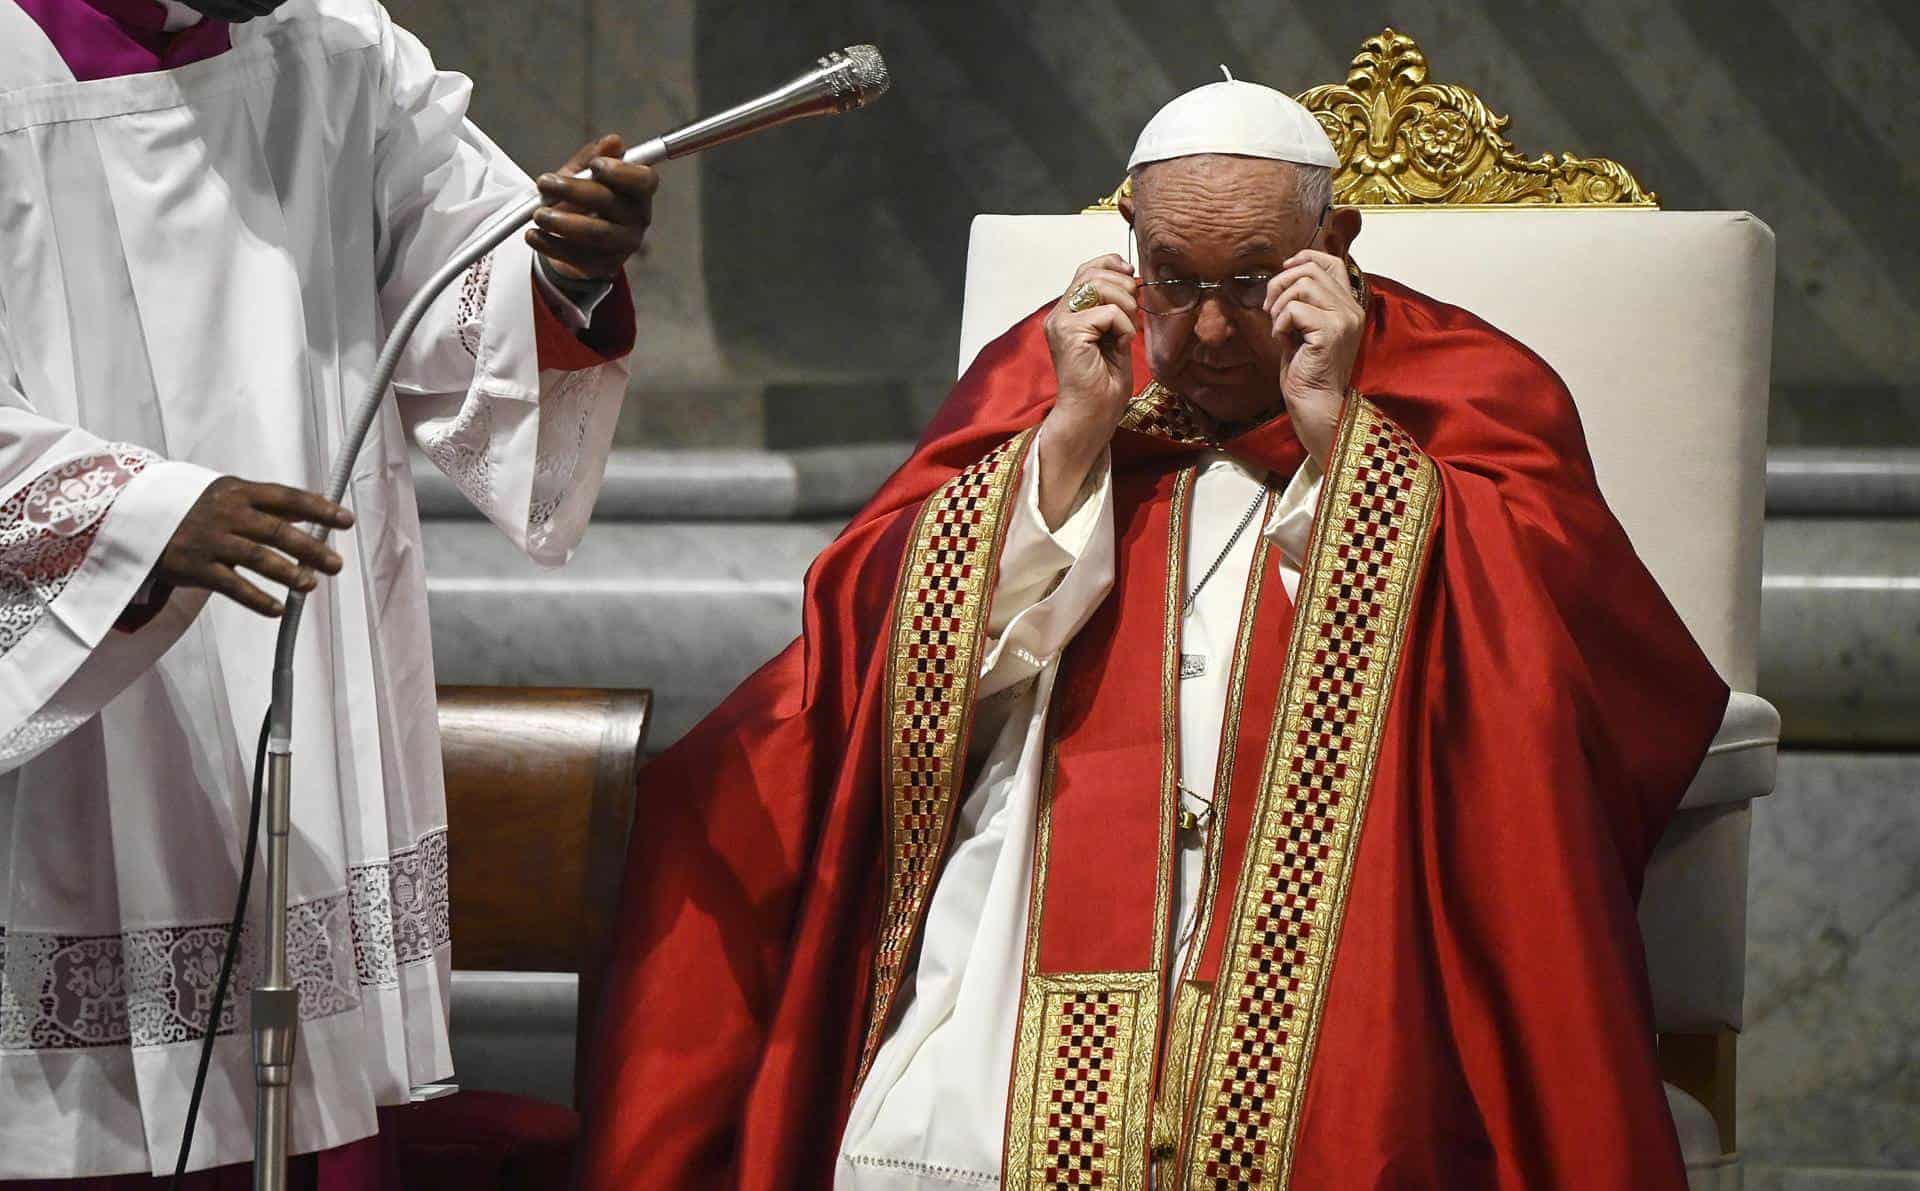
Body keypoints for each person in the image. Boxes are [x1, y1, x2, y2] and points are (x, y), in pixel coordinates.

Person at [580, 78, 1729, 1189]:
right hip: (1042, 885)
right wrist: (1070, 443)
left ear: (1337, 236)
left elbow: (1576, 649)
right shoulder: (1059, 366)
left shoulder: (1468, 382)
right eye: (1176, 279)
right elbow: (876, 630)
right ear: (1127, 236)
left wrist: (1343, 443)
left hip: (1362, 900)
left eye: (1256, 279)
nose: (1217, 329)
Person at [0, 0, 657, 1181]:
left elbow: (473, 278)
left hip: (305, 644)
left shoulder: (337, 48)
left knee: (295, 1102)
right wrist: (132, 517)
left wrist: (567, 261)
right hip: (71, 695)